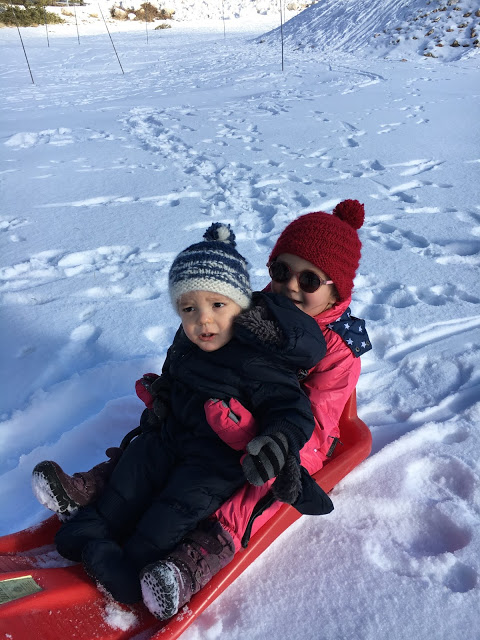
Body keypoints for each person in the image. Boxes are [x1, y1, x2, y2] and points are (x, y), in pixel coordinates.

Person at [32, 199, 372, 619]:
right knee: (158, 438)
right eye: (282, 270)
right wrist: (172, 393)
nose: (290, 286)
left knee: (261, 482)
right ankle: (104, 488)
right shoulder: (251, 309)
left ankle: (202, 551)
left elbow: (313, 433)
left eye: (309, 279)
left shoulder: (339, 353)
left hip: (277, 441)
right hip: (208, 424)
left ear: (336, 289)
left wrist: (252, 437)